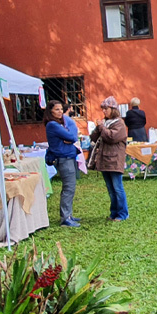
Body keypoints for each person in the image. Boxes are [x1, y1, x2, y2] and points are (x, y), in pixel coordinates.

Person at [90, 96, 128, 221]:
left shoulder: (119, 124)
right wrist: (98, 128)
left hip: (115, 160)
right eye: (103, 109)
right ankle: (114, 212)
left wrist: (102, 128)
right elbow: (94, 138)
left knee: (118, 188)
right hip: (105, 160)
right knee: (110, 189)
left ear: (113, 109)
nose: (104, 111)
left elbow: (112, 137)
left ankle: (123, 214)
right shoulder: (105, 123)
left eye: (106, 108)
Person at [44, 100, 81, 228]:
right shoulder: (53, 125)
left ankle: (68, 215)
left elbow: (71, 136)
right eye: (56, 110)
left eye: (61, 109)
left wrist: (68, 137)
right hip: (63, 158)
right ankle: (65, 217)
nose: (60, 112)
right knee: (69, 187)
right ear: (50, 111)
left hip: (67, 156)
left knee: (70, 187)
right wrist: (68, 137)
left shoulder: (59, 124)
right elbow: (72, 137)